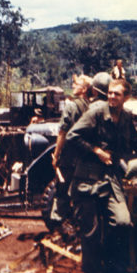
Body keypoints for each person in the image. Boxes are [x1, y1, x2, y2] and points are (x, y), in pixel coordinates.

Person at [66, 78, 137, 273]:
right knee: (91, 231)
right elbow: (72, 135)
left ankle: (109, 263)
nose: (112, 97)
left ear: (126, 97)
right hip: (87, 180)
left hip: (110, 181)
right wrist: (95, 150)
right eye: (110, 93)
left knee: (123, 222)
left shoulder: (126, 117)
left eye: (117, 94)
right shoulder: (96, 113)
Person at [49, 74, 92, 226]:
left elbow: (62, 133)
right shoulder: (92, 106)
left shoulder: (71, 106)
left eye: (76, 84)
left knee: (62, 191)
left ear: (84, 89)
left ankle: (57, 223)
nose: (73, 86)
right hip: (86, 156)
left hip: (69, 156)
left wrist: (56, 155)